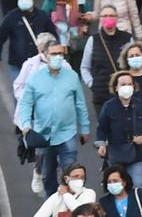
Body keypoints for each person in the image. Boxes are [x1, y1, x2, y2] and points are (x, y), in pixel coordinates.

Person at [16, 43, 91, 198]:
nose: (58, 57)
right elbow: (25, 104)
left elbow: (80, 103)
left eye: (60, 54)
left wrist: (85, 128)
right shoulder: (35, 78)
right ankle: (52, 206)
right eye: (54, 54)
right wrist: (26, 126)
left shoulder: (71, 76)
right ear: (45, 55)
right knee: (47, 176)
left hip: (67, 132)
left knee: (71, 174)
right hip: (43, 135)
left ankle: (71, 207)